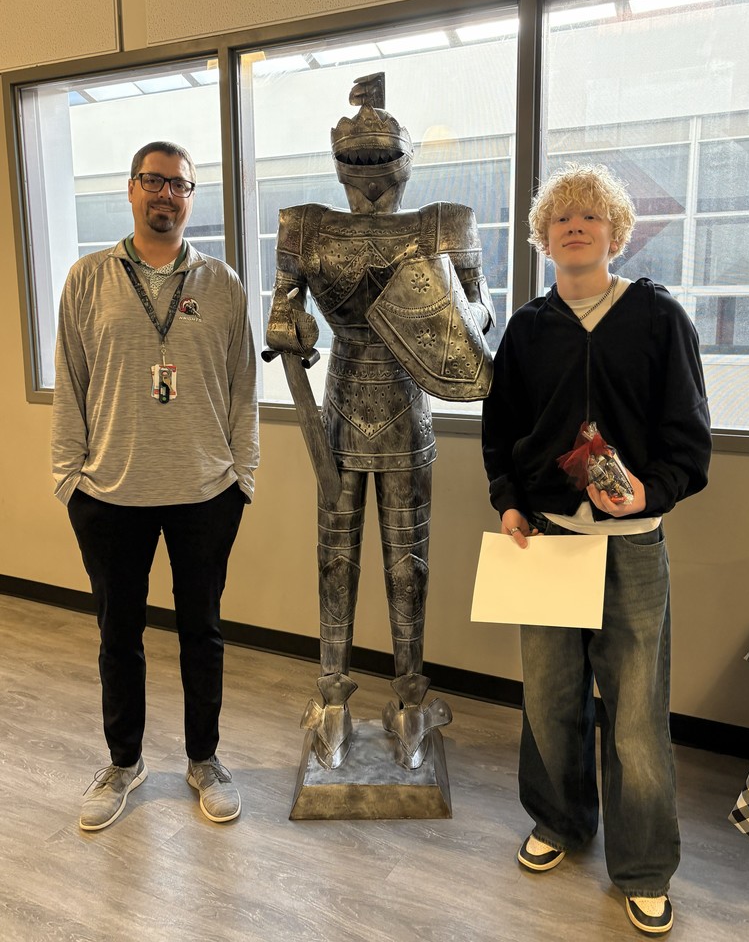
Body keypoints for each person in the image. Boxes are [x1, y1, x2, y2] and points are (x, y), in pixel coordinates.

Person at [482, 163, 711, 935]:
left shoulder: (657, 318)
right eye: (561, 218)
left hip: (632, 549)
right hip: (547, 541)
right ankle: (560, 821)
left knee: (638, 717)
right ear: (543, 236)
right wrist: (510, 502)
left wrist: (651, 492)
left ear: (616, 232)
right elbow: (499, 434)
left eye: (591, 217)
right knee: (549, 701)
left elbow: (688, 439)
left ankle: (644, 866)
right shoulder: (527, 330)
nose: (575, 227)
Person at [265, 73, 495, 771]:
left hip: (408, 406)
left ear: (404, 160)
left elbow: (482, 320)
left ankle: (410, 696)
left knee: (408, 565)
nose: (367, 176)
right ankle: (331, 693)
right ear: (338, 164)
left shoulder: (444, 224)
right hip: (336, 408)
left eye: (378, 160)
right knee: (335, 558)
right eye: (354, 162)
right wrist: (290, 322)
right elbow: (283, 309)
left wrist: (449, 316)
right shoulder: (303, 225)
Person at [52, 141, 259, 830]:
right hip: (109, 493)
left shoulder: (221, 284)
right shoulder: (88, 279)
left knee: (203, 632)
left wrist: (243, 480)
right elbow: (70, 387)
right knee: (120, 634)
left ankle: (204, 759)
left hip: (205, 491)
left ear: (190, 197)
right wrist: (70, 481)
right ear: (131, 190)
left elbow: (242, 393)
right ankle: (124, 760)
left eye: (179, 184)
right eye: (153, 181)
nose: (165, 194)